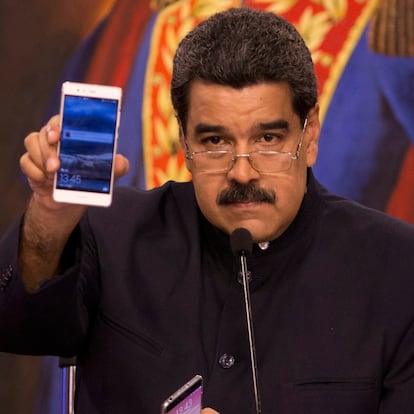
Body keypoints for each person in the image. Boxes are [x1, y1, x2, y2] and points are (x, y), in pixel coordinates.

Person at [1, 7, 414, 413]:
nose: (242, 172)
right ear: (184, 142)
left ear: (311, 137)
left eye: (268, 138)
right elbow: (17, 326)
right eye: (216, 141)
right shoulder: (114, 233)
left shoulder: (397, 267)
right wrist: (50, 216)